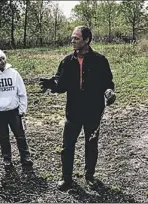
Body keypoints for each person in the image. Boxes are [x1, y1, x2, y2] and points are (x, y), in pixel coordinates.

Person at [39, 26, 116, 190]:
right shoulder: (67, 61)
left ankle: (90, 176)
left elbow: (107, 83)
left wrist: (109, 93)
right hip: (73, 112)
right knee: (67, 146)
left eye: (76, 38)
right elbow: (61, 84)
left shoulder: (100, 60)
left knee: (91, 145)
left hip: (93, 112)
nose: (72, 41)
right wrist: (52, 84)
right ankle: (66, 179)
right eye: (72, 38)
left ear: (87, 40)